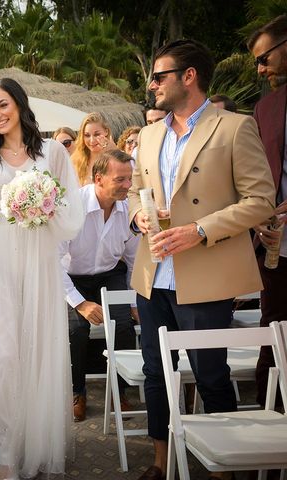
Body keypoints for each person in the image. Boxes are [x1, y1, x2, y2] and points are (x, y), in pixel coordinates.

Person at [128, 40, 275, 480]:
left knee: (210, 372)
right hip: (153, 273)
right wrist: (139, 215)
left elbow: (261, 200)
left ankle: (221, 471)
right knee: (155, 372)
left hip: (206, 274)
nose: (151, 84)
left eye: (159, 76)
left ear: (188, 76)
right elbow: (138, 190)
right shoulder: (150, 132)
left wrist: (198, 230)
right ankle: (160, 461)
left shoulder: (234, 127)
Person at [0, 77, 84, 480]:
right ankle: (4, 455)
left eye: (2, 105)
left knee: (37, 353)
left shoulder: (52, 152)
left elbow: (72, 210)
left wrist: (44, 208)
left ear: (19, 103)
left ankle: (35, 444)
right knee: (2, 358)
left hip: (40, 260)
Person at [60, 149, 139, 422]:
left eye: (130, 178)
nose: (128, 185)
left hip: (110, 275)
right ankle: (77, 392)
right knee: (76, 331)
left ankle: (121, 392)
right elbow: (53, 262)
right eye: (120, 179)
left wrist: (132, 302)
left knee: (125, 327)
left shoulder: (130, 208)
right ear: (99, 179)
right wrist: (80, 303)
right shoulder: (71, 206)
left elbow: (133, 259)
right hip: (71, 278)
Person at [247, 14, 287, 409]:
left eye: (265, 58)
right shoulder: (265, 109)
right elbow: (258, 180)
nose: (261, 69)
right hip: (276, 251)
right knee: (272, 341)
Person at [71, 112, 115, 186]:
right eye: (87, 135)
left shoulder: (116, 157)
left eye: (97, 134)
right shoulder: (75, 160)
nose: (92, 140)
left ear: (106, 132)